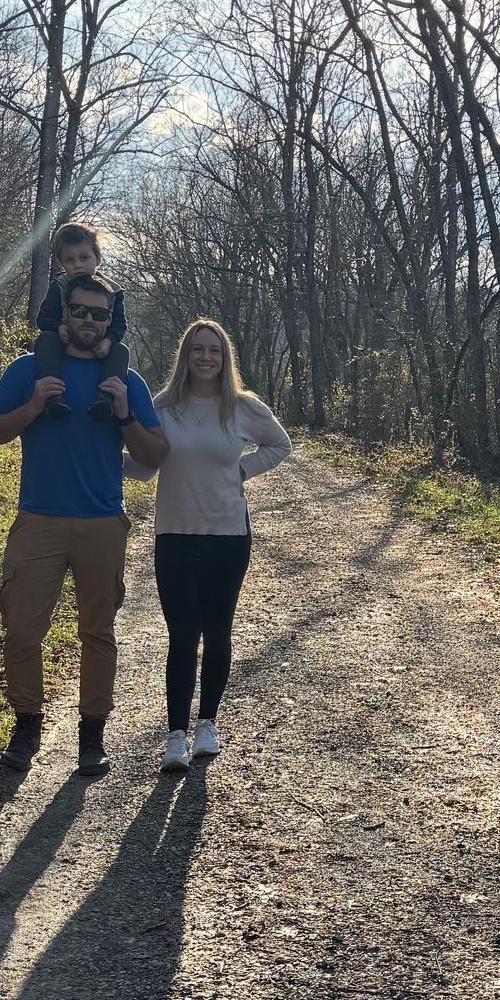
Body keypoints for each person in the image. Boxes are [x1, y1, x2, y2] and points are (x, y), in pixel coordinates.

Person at [0, 274, 169, 775]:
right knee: (21, 630)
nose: (88, 320)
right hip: (38, 519)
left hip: (102, 522)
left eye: (98, 314)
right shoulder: (28, 370)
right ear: (63, 314)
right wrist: (33, 406)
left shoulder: (126, 381)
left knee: (97, 633)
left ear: (109, 321)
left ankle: (92, 736)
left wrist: (124, 414)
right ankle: (27, 727)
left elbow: (155, 454)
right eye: (79, 310)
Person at [138, 318, 291, 771]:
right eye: (197, 349)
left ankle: (207, 723)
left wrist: (244, 470)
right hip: (174, 532)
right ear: (184, 356)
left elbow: (280, 445)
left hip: (227, 533)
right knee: (182, 634)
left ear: (225, 358)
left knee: (218, 630)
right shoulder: (161, 407)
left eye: (214, 350)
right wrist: (100, 459)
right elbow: (145, 466)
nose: (205, 357)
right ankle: (176, 735)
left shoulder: (242, 407)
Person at [32, 219, 129, 420]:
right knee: (45, 340)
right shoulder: (59, 285)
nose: (78, 265)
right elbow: (44, 318)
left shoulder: (113, 290)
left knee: (120, 351)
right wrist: (58, 327)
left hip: (99, 344)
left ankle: (105, 398)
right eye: (70, 260)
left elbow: (119, 324)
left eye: (84, 258)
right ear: (62, 263)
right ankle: (54, 396)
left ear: (97, 258)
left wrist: (108, 340)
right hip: (63, 342)